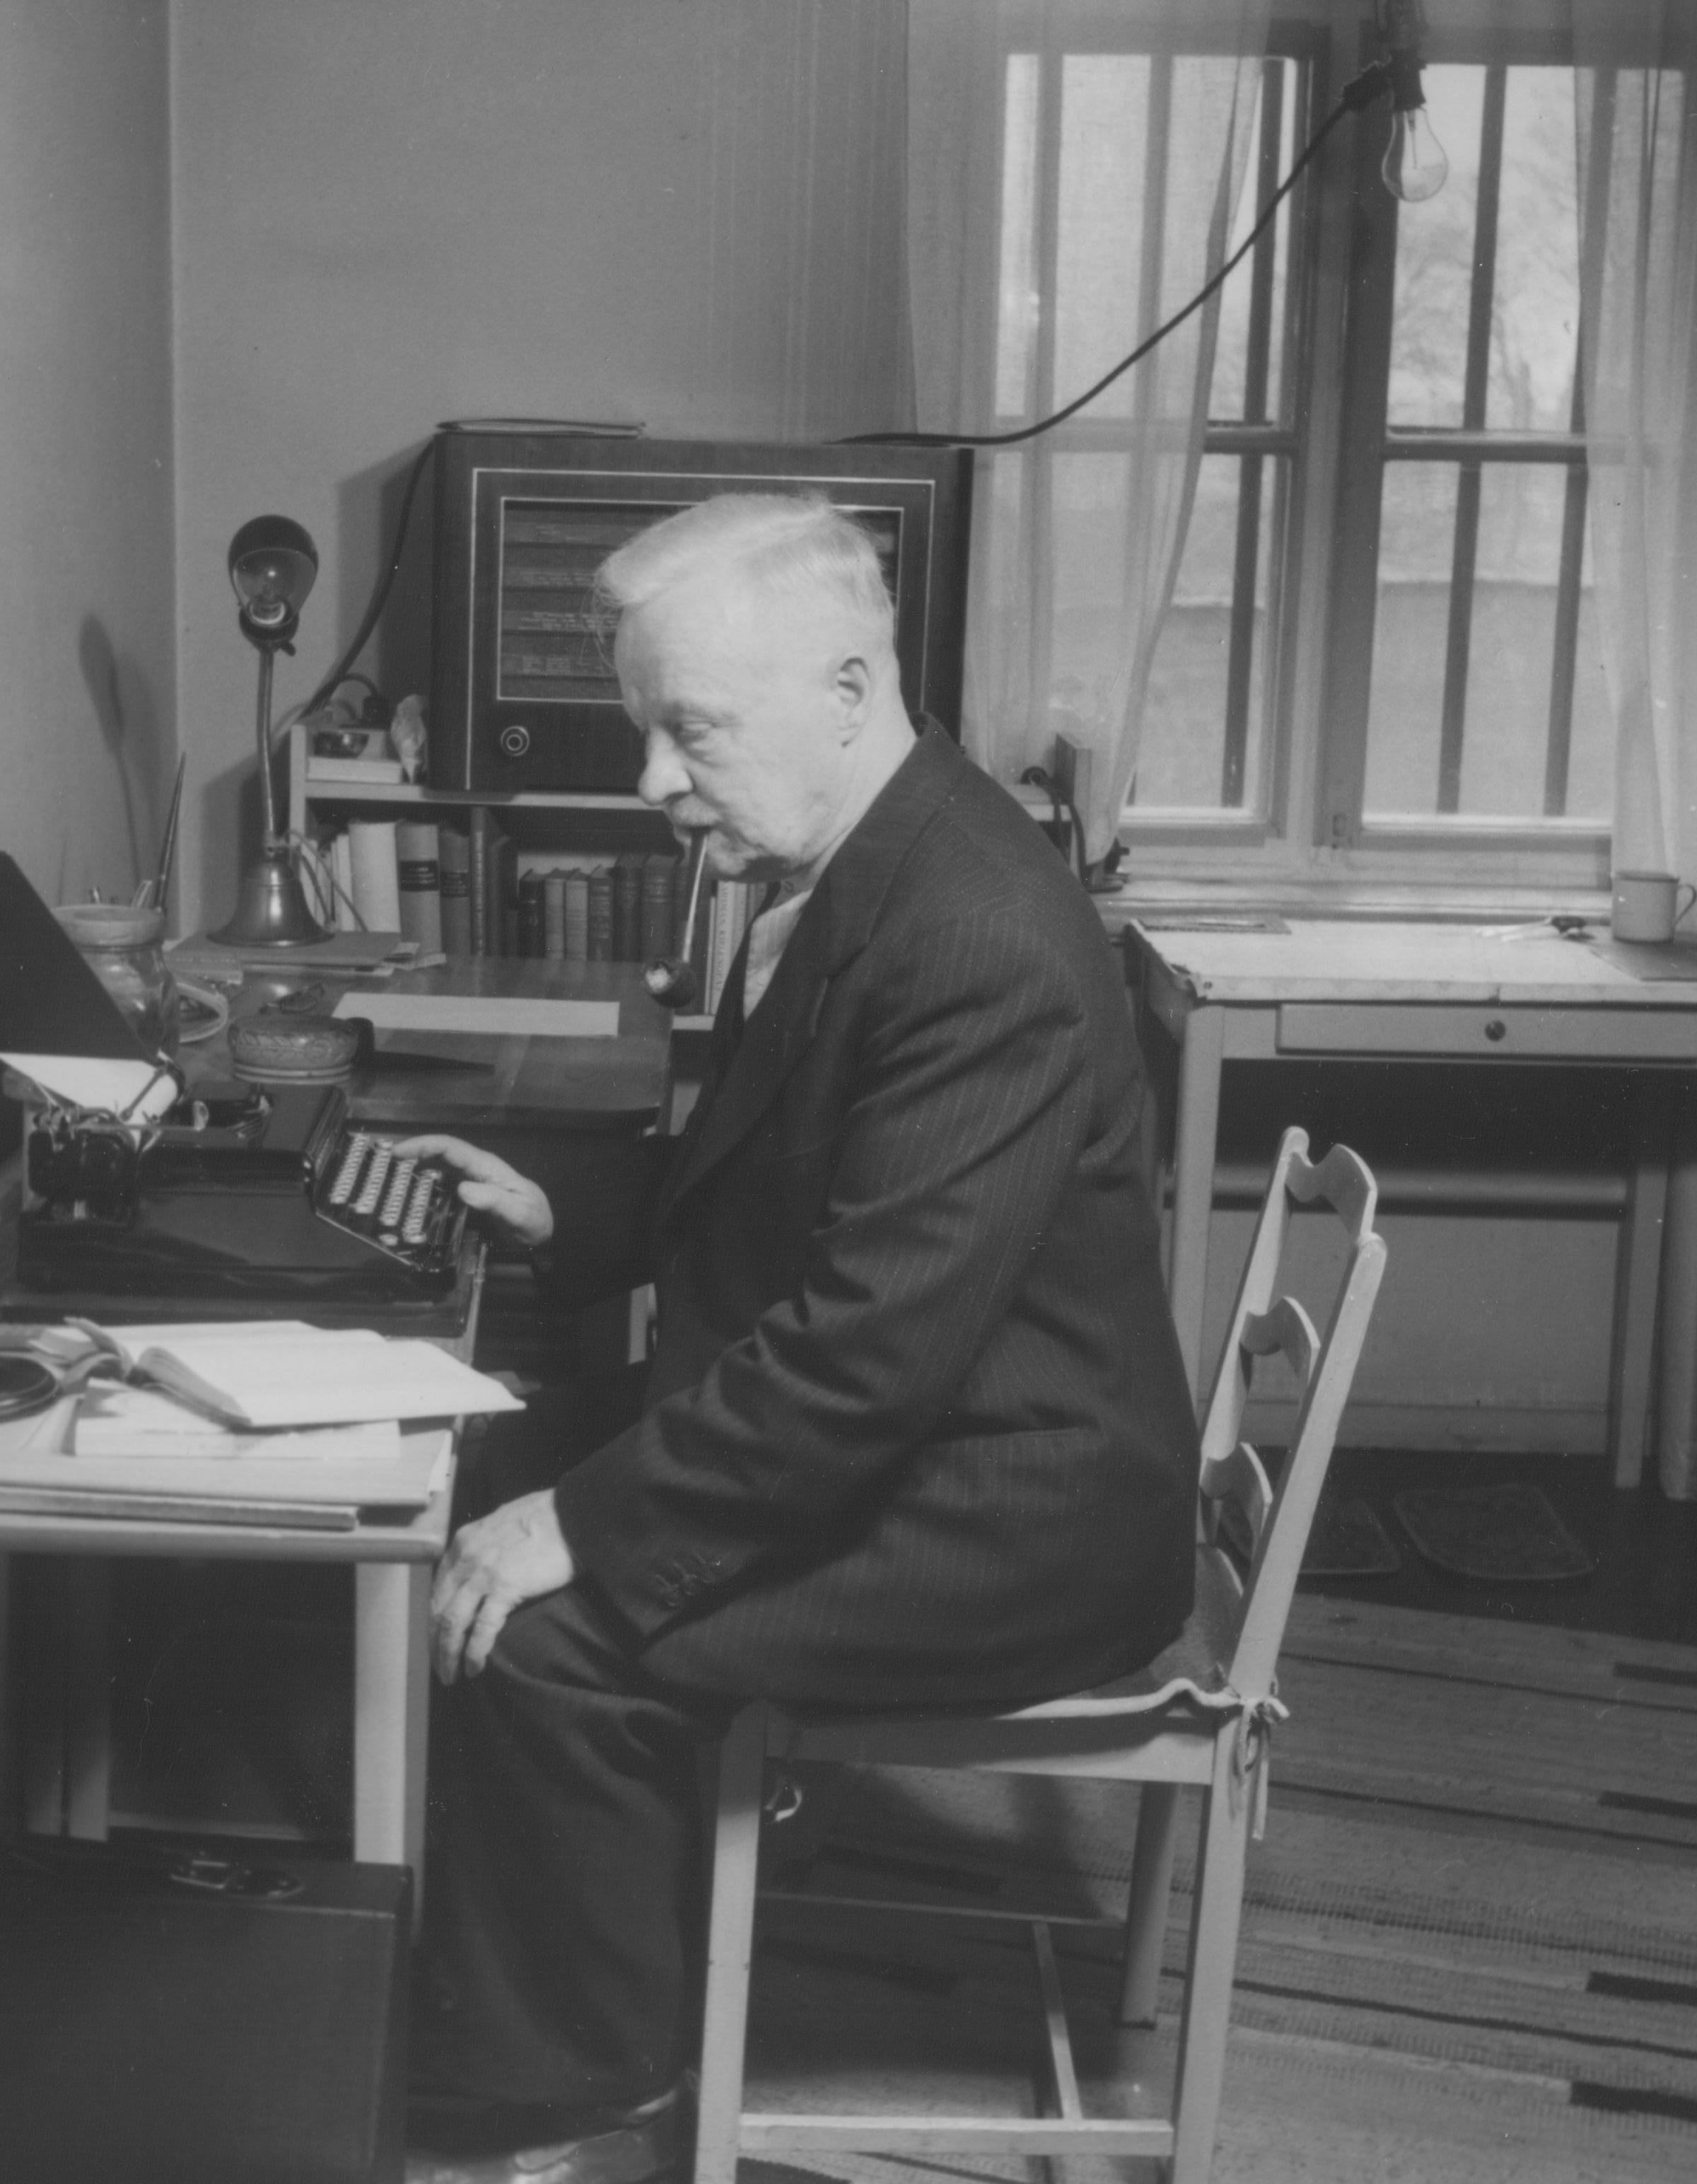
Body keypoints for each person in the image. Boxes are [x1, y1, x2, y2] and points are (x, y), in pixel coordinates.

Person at [400, 494, 1199, 2184]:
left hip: (1013, 1510)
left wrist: (578, 1527)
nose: (652, 779)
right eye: (647, 728)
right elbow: (777, 1181)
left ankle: (581, 2095)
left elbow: (858, 1361)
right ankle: (534, 1953)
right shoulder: (862, 857)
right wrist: (565, 1218)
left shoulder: (977, 934)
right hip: (932, 1428)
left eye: (689, 729)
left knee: (543, 1637)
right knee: (470, 1467)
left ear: (847, 690)